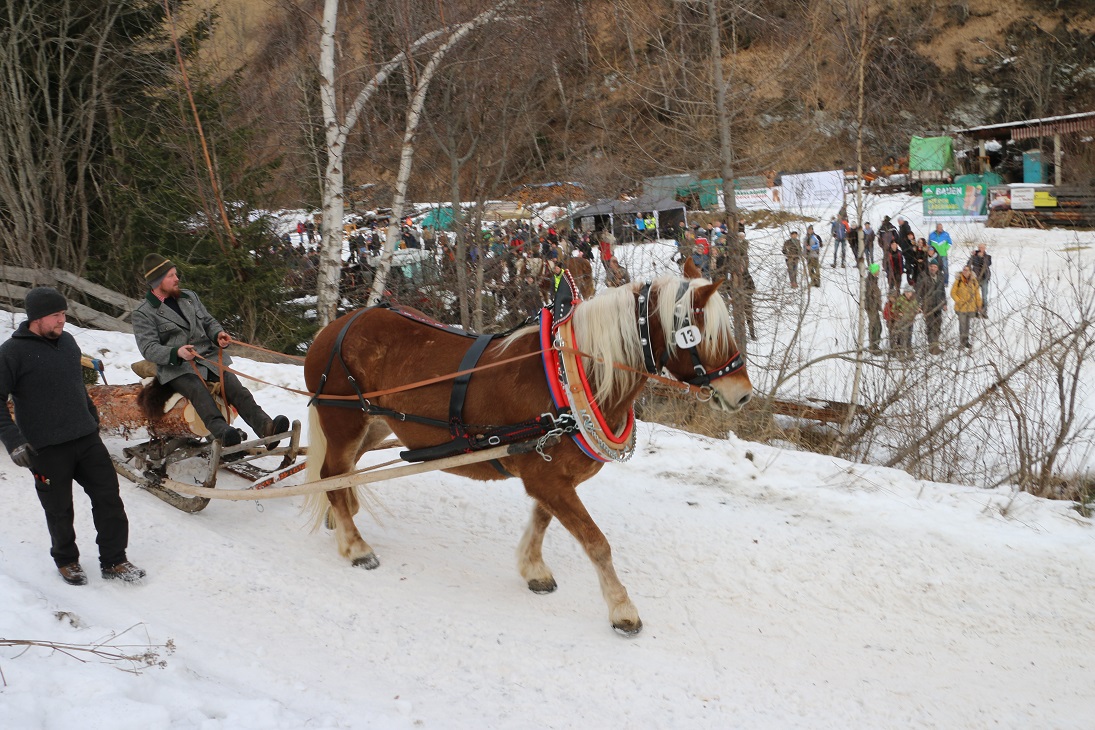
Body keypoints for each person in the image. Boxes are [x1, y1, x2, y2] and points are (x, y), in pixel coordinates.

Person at [0, 287, 145, 585]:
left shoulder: (67, 343)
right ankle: (67, 560)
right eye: (56, 315)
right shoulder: (11, 353)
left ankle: (115, 560)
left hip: (85, 438)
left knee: (108, 499)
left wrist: (91, 417)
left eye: (64, 314)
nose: (62, 321)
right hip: (46, 447)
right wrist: (14, 441)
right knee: (59, 509)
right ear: (37, 318)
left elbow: (76, 386)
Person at [133, 254, 289, 450]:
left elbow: (208, 321)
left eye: (175, 274)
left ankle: (267, 427)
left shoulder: (189, 297)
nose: (177, 278)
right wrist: (177, 352)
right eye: (171, 276)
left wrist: (218, 334)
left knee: (236, 388)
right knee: (198, 391)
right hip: (177, 367)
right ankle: (222, 432)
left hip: (208, 358)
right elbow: (148, 348)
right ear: (157, 282)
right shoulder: (143, 313)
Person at [916, 261, 947, 354]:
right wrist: (918, 304)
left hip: (938, 305)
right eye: (931, 266)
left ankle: (935, 345)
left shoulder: (940, 277)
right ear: (929, 267)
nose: (933, 268)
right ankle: (932, 348)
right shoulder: (923, 277)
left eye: (935, 267)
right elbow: (918, 291)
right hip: (927, 305)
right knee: (930, 326)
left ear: (937, 268)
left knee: (937, 326)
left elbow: (942, 291)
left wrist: (944, 303)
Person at [950, 265, 983, 349]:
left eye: (967, 270)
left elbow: (977, 294)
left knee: (967, 326)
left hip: (970, 307)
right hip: (961, 308)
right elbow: (953, 293)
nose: (965, 271)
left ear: (970, 272)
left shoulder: (974, 281)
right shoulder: (958, 280)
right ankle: (962, 343)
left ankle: (966, 342)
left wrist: (979, 305)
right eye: (964, 270)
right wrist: (959, 301)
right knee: (962, 325)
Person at [549, 258, 582, 324]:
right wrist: (552, 295)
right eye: (555, 269)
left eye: (557, 268)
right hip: (558, 296)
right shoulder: (554, 278)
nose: (556, 270)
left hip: (566, 295)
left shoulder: (565, 275)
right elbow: (552, 288)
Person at [891, 286, 919, 357]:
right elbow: (893, 309)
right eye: (908, 292)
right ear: (905, 292)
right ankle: (901, 354)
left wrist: (918, 310)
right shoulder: (900, 299)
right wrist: (898, 313)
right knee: (903, 337)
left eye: (910, 292)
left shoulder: (914, 300)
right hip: (903, 322)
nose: (909, 294)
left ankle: (910, 353)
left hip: (911, 321)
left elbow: (916, 308)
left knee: (909, 337)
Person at [967, 243, 992, 317]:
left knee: (984, 296)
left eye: (982, 247)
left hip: (984, 278)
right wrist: (974, 256)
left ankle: (984, 312)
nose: (981, 249)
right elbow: (968, 264)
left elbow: (988, 264)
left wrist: (982, 257)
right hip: (975, 279)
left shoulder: (988, 257)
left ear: (985, 248)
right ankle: (975, 311)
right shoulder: (974, 256)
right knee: (975, 296)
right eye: (980, 247)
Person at [865, 263, 883, 353]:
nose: (878, 272)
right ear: (874, 271)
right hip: (871, 308)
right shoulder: (869, 281)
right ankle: (873, 348)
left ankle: (876, 346)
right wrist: (873, 304)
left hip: (875, 307)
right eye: (877, 270)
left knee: (879, 327)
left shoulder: (874, 280)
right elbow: (868, 295)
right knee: (874, 327)